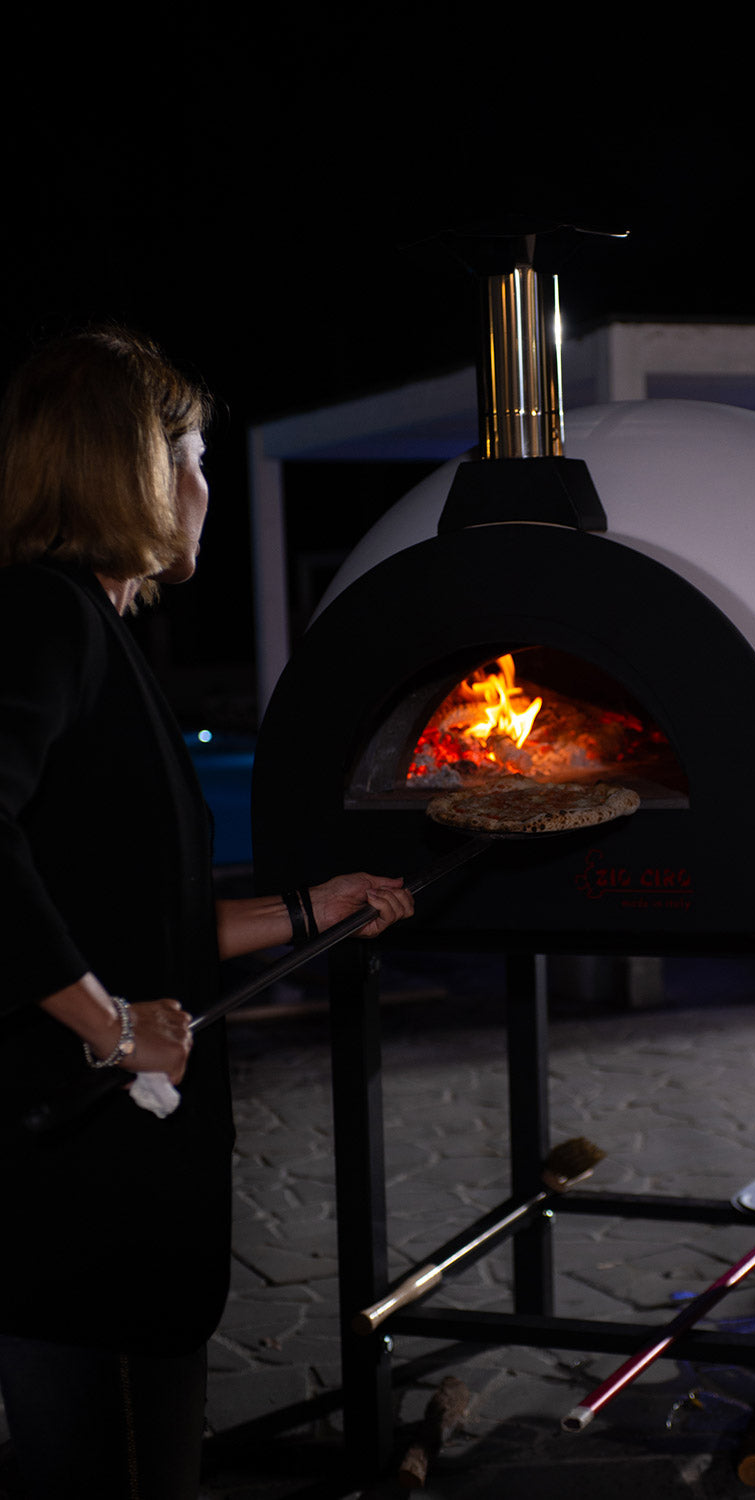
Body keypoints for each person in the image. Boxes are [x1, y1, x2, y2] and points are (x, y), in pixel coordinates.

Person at [0, 325, 413, 1499]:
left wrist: (308, 909)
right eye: (190, 458)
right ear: (130, 472)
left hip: (126, 1190)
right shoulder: (46, 616)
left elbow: (139, 918)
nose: (203, 488)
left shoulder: (100, 632)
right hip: (79, 1196)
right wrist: (110, 1027)